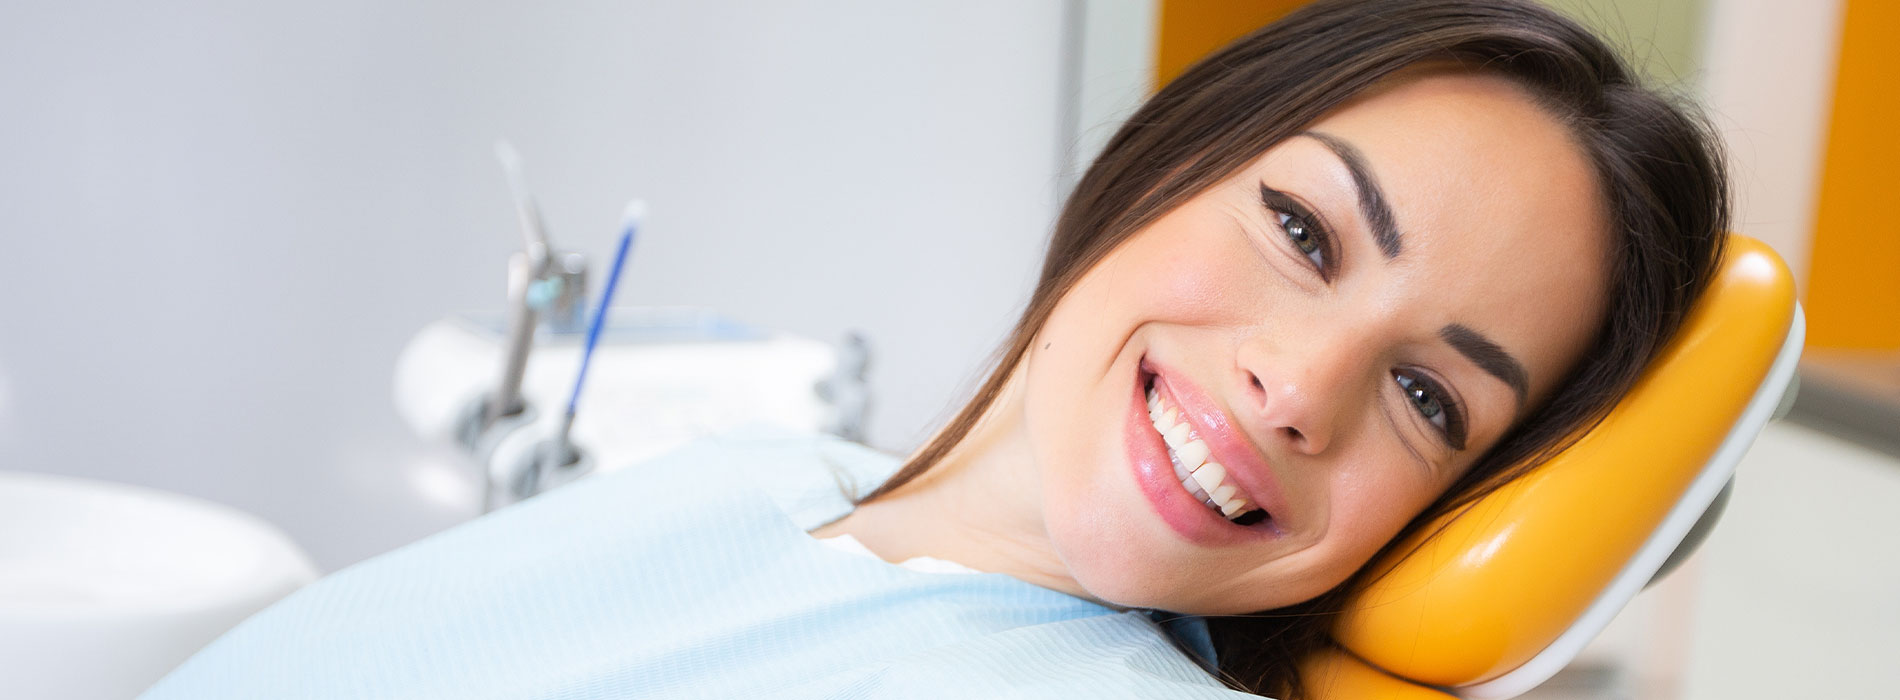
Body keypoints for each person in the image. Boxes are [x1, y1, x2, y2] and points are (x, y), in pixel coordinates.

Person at [140, 1, 1727, 698]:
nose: (1300, 391)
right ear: (1172, 153)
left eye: (1429, 398)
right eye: (1307, 234)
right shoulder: (767, 484)